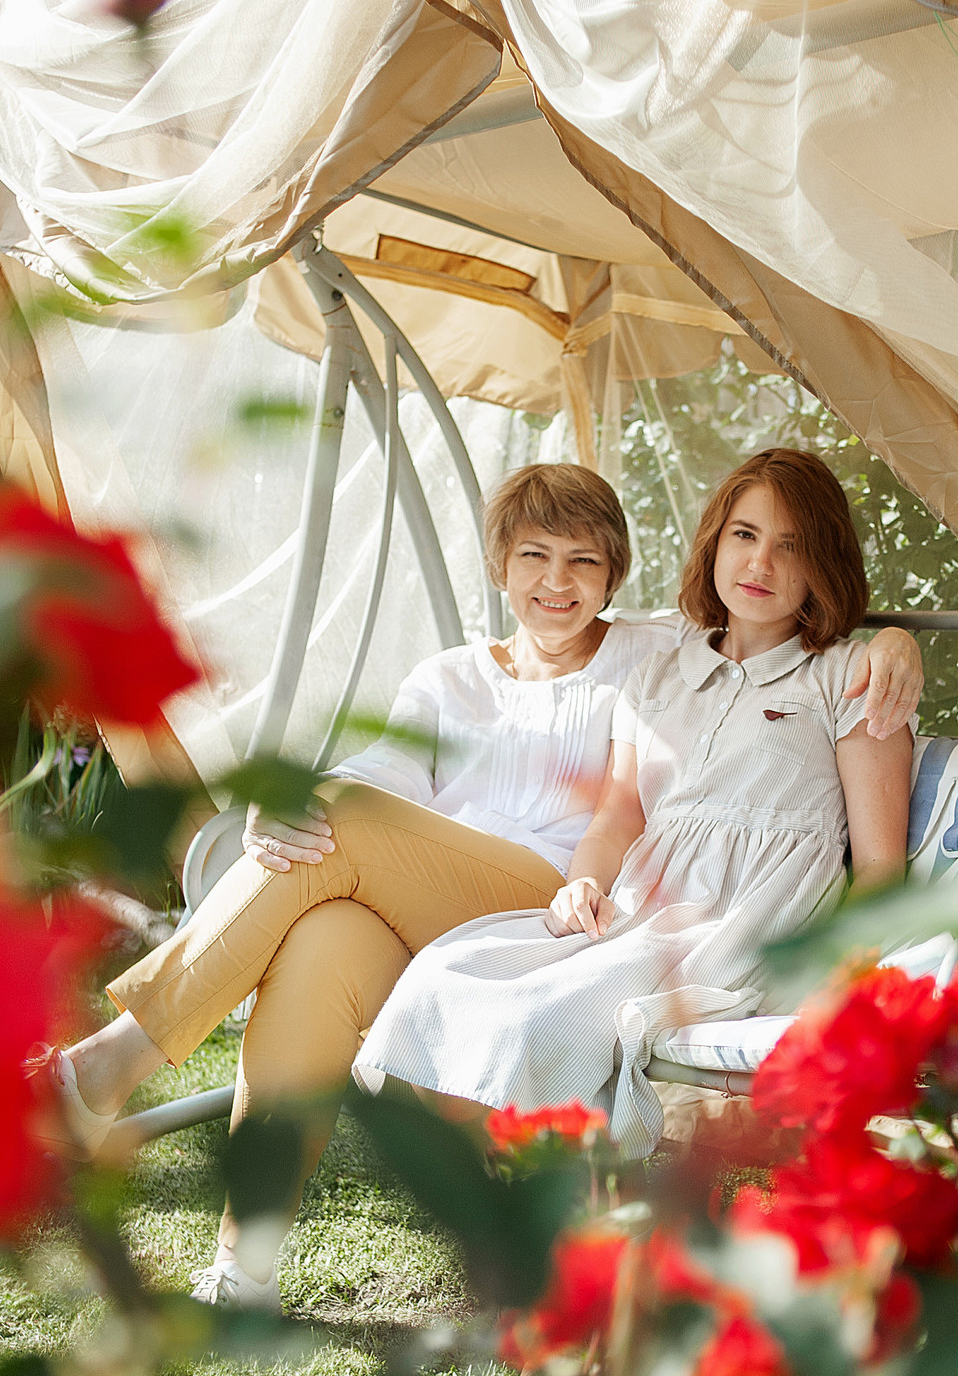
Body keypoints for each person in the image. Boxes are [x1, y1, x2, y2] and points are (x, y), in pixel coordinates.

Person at [38, 462, 923, 1308]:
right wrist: (289, 813)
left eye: (584, 560)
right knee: (320, 942)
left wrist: (895, 639)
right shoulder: (454, 678)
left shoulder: (655, 649)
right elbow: (376, 775)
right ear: (499, 566)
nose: (557, 583)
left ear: (617, 572)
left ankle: (110, 1062)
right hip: (451, 911)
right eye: (534, 556)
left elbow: (794, 645)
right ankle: (247, 1263)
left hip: (550, 903)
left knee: (338, 821)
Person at [357, 449, 914, 1157]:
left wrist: (839, 978)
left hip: (741, 922)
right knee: (444, 975)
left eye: (791, 545)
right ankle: (517, 1188)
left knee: (537, 1019)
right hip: (640, 902)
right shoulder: (658, 676)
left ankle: (533, 1200)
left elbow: (878, 867)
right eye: (744, 535)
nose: (761, 564)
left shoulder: (849, 679)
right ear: (714, 544)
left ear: (823, 562)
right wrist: (584, 881)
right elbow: (618, 815)